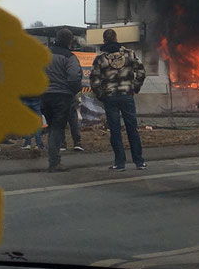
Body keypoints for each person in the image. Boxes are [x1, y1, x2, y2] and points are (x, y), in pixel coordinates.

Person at [90, 29, 146, 172]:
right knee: (132, 129)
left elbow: (94, 79)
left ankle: (120, 164)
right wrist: (134, 88)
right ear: (116, 38)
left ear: (104, 40)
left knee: (115, 131)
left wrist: (101, 95)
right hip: (127, 95)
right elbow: (141, 72)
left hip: (110, 97)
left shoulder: (100, 59)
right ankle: (139, 162)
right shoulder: (129, 54)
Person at [41, 29, 82, 172]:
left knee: (52, 127)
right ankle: (54, 163)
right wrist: (73, 91)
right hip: (62, 97)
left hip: (44, 96)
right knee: (57, 129)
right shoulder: (70, 57)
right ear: (70, 41)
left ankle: (54, 159)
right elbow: (74, 77)